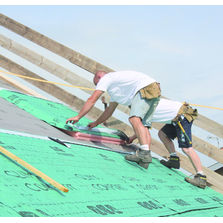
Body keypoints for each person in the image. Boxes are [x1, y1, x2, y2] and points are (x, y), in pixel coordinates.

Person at [66, 70, 161, 169]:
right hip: (155, 89)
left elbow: (92, 99)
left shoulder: (106, 78)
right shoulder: (117, 89)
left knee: (134, 119)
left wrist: (78, 116)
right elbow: (109, 111)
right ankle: (144, 160)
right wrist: (96, 123)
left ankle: (144, 153)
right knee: (143, 124)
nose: (100, 88)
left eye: (97, 85)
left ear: (98, 78)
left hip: (145, 88)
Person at [126, 98, 207, 189]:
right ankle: (174, 159)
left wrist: (131, 138)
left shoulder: (145, 109)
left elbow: (143, 130)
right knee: (162, 134)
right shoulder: (146, 104)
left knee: (186, 148)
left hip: (183, 116)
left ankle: (201, 177)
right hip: (176, 117)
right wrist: (132, 138)